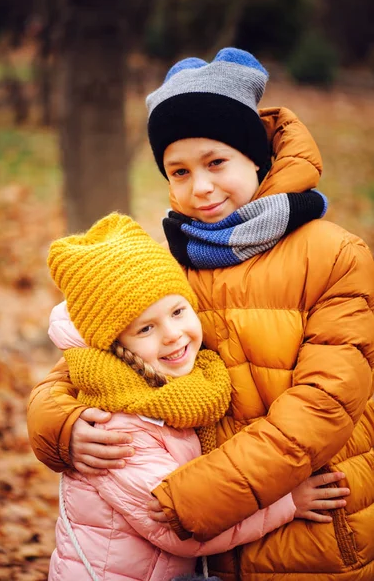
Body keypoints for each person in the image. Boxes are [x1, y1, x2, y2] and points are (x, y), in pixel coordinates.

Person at [27, 48, 374, 580]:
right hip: (212, 544)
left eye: (217, 162)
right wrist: (62, 426)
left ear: (255, 157)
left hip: (310, 520)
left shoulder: (335, 256)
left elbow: (324, 403)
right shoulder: (175, 265)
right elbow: (87, 358)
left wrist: (194, 500)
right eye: (179, 171)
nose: (201, 188)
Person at [43, 212, 347, 581]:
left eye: (177, 311)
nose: (172, 334)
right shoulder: (117, 428)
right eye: (146, 328)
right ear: (114, 346)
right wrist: (288, 503)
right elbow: (180, 528)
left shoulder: (178, 389)